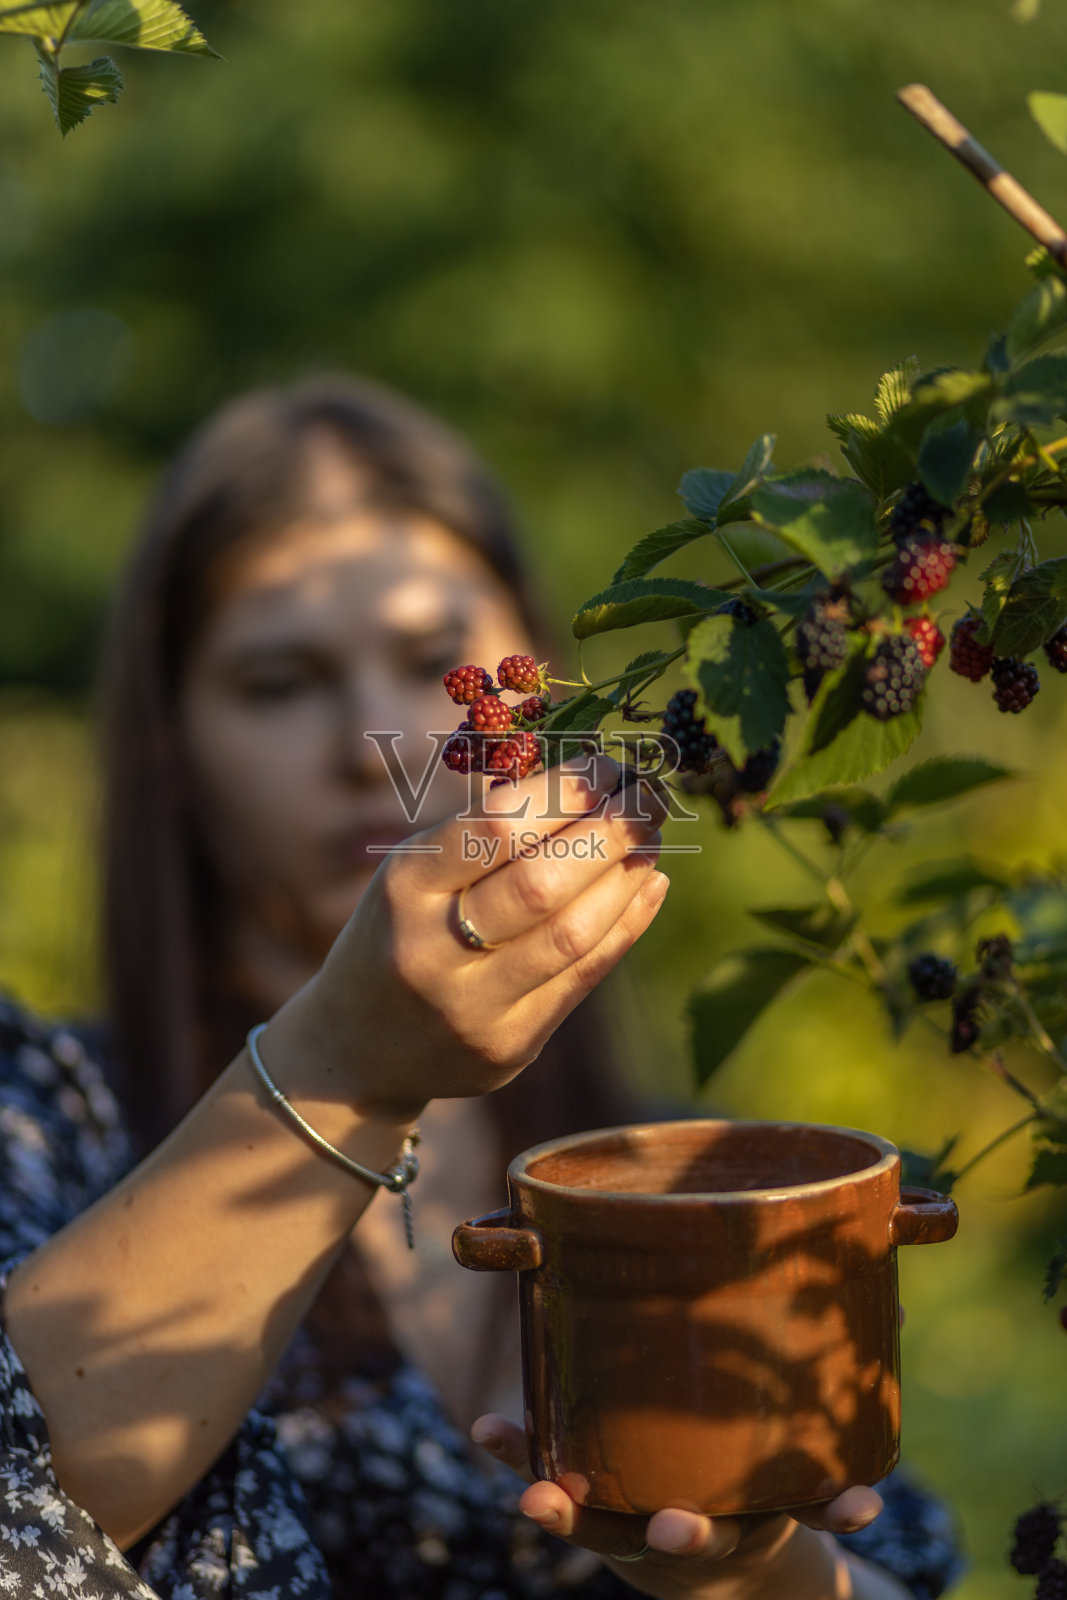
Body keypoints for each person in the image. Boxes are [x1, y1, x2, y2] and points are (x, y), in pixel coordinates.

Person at [0, 377, 962, 1599]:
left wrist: (748, 1566)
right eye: (278, 683)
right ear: (173, 746)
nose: (372, 743)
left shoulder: (672, 1175)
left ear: (540, 685)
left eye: (429, 663)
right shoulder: (43, 1120)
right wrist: (341, 1067)